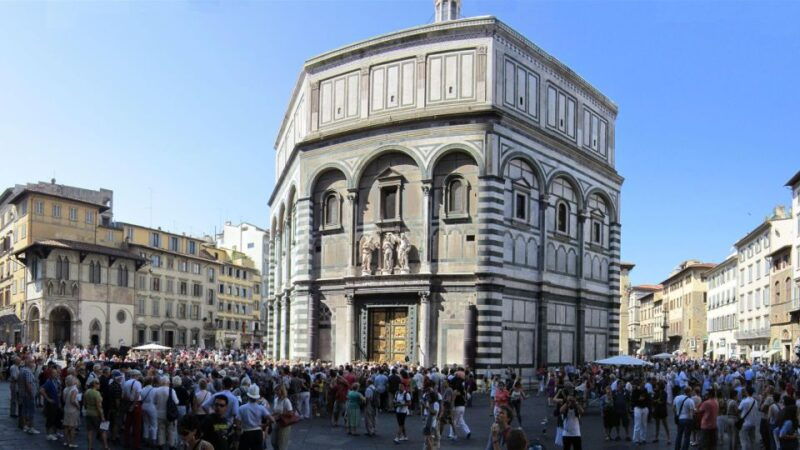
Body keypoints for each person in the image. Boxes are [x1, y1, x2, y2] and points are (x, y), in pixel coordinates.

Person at [236, 384, 273, 450]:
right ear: (257, 397)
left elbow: (237, 423)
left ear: (248, 396)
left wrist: (239, 430)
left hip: (246, 433)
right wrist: (264, 425)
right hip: (257, 433)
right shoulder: (261, 408)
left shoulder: (242, 408)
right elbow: (272, 419)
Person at [153, 375, 179, 450]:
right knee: (171, 430)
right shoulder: (171, 390)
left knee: (161, 429)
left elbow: (154, 401)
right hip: (170, 414)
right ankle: (171, 445)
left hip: (159, 413)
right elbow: (176, 402)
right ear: (168, 382)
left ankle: (161, 444)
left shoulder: (157, 390)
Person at [85, 378, 109, 450]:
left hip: (88, 413)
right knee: (103, 431)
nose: (99, 385)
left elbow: (84, 403)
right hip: (96, 414)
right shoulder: (97, 393)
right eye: (98, 383)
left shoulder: (87, 391)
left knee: (90, 431)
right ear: (94, 384)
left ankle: (89, 447)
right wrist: (102, 417)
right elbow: (99, 407)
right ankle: (105, 446)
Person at [17, 356, 39, 435]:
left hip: (23, 394)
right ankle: (31, 427)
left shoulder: (22, 370)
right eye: (32, 362)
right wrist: (32, 395)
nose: (34, 364)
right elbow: (28, 384)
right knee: (31, 412)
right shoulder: (28, 372)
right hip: (29, 395)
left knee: (24, 411)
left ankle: (25, 426)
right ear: (29, 363)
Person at [39, 366, 62, 441]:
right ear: (51, 374)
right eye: (54, 373)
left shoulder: (56, 381)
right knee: (50, 418)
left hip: (56, 402)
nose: (56, 374)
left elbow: (58, 389)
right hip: (51, 404)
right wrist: (48, 399)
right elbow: (41, 390)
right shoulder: (49, 382)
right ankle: (48, 434)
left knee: (56, 418)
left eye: (56, 373)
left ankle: (54, 433)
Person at [271, 384, 295, 450]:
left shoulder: (286, 401)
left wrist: (280, 414)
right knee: (273, 442)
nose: (276, 392)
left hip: (284, 424)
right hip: (276, 422)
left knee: (282, 444)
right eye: (275, 391)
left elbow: (291, 413)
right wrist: (271, 415)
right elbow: (275, 410)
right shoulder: (276, 399)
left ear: (282, 391)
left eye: (277, 391)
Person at [673, 386, 695, 450]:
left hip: (679, 419)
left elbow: (673, 408)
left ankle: (677, 448)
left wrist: (676, 414)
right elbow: (691, 413)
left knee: (679, 434)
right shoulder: (690, 401)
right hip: (687, 419)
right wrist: (692, 421)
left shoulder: (677, 398)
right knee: (687, 436)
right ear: (689, 392)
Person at [62, 375, 81, 448]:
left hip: (66, 409)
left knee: (66, 426)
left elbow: (64, 400)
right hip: (73, 410)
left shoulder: (65, 389)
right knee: (72, 427)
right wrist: (78, 406)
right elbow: (73, 400)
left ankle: (66, 441)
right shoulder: (74, 389)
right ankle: (72, 442)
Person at [631, 378, 651, 445]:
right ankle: (636, 439)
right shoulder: (635, 391)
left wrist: (647, 406)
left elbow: (648, 398)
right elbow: (633, 400)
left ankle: (643, 439)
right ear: (639, 384)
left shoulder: (645, 390)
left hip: (644, 408)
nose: (643, 384)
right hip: (638, 408)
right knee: (637, 424)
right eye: (642, 383)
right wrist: (639, 399)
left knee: (644, 424)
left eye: (644, 383)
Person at [423, 386, 441, 450]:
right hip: (429, 422)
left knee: (429, 438)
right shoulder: (430, 403)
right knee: (428, 438)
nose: (428, 398)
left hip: (432, 423)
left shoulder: (435, 403)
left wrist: (426, 407)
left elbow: (434, 413)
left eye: (429, 397)